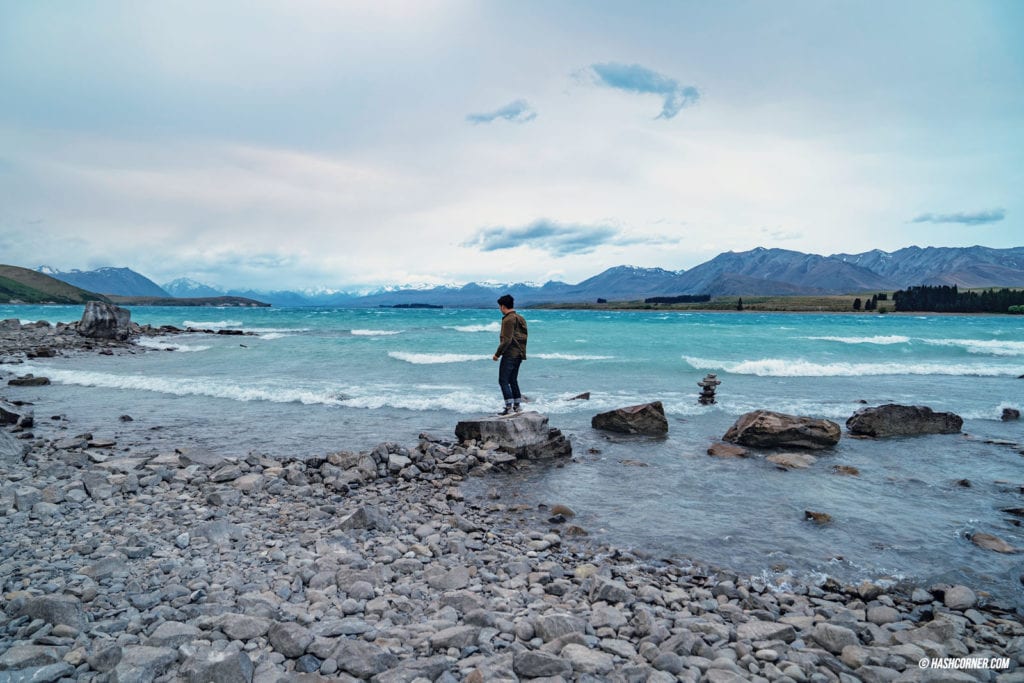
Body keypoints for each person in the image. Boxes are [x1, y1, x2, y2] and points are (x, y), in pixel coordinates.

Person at [492, 294, 528, 415]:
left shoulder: (508, 319)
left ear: (502, 306)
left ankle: (508, 408)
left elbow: (506, 340)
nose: (499, 309)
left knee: (503, 380)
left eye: (499, 307)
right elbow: (523, 337)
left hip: (510, 354)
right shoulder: (521, 318)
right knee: (513, 380)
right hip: (520, 353)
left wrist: (497, 354)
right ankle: (517, 406)